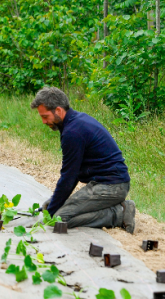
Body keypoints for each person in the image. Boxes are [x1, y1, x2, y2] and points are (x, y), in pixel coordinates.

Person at [30, 87, 135, 233]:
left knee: (60, 219)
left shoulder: (72, 132)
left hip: (111, 187)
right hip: (106, 183)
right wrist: (55, 201)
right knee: (58, 209)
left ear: (59, 111)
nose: (43, 121)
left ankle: (119, 214)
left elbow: (68, 178)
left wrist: (51, 213)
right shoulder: (76, 121)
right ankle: (117, 209)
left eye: (45, 116)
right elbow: (72, 175)